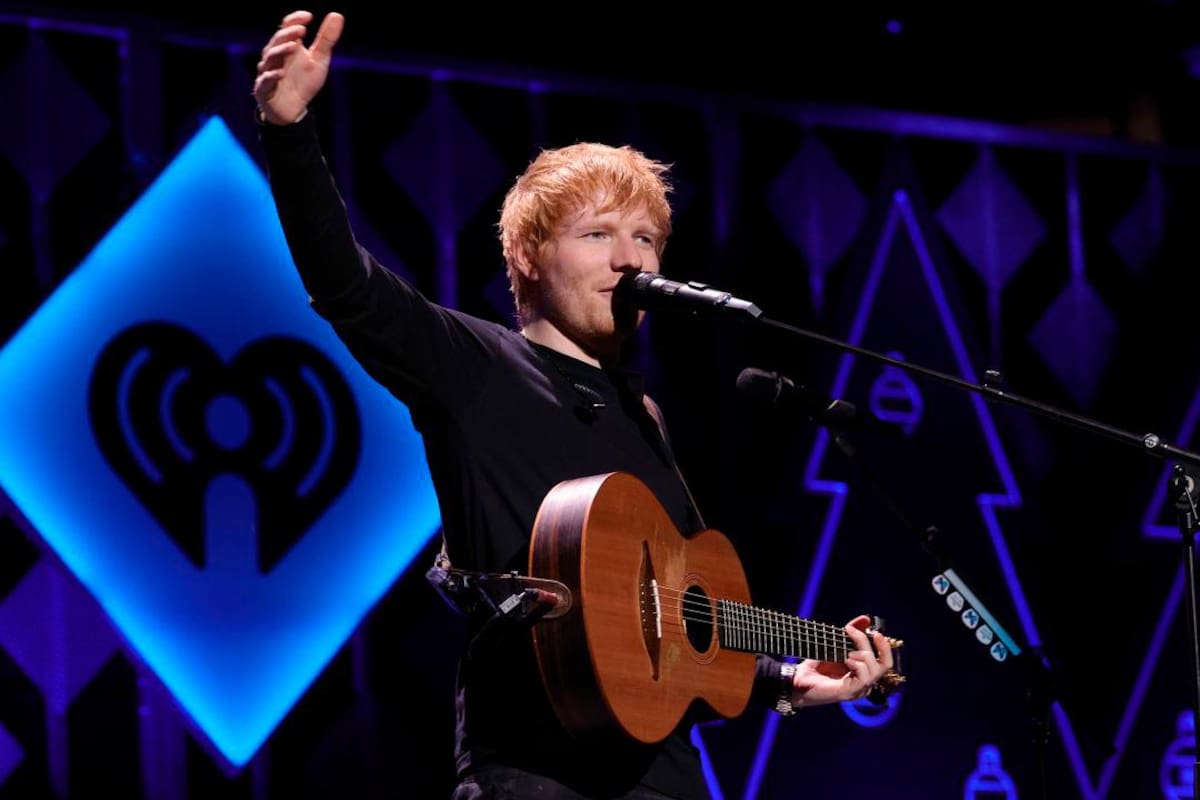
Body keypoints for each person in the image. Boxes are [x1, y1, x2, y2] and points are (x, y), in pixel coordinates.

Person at [252, 10, 896, 799]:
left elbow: (681, 629)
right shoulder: (477, 367)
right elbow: (345, 285)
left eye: (646, 240)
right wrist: (289, 133)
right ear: (527, 254)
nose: (629, 260)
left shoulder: (646, 418)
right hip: (536, 772)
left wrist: (797, 672)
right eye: (597, 235)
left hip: (667, 780)